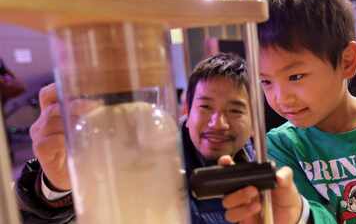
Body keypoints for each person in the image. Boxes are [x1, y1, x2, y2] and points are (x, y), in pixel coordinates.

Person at [16, 53, 318, 224]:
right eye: (205, 107)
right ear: (186, 110)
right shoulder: (151, 153)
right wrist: (55, 188)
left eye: (236, 110)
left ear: (254, 122)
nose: (219, 122)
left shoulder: (266, 165)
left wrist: (296, 218)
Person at [226, 0, 356, 224]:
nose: (280, 98)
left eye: (295, 76)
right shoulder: (281, 147)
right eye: (265, 81)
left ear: (347, 61)